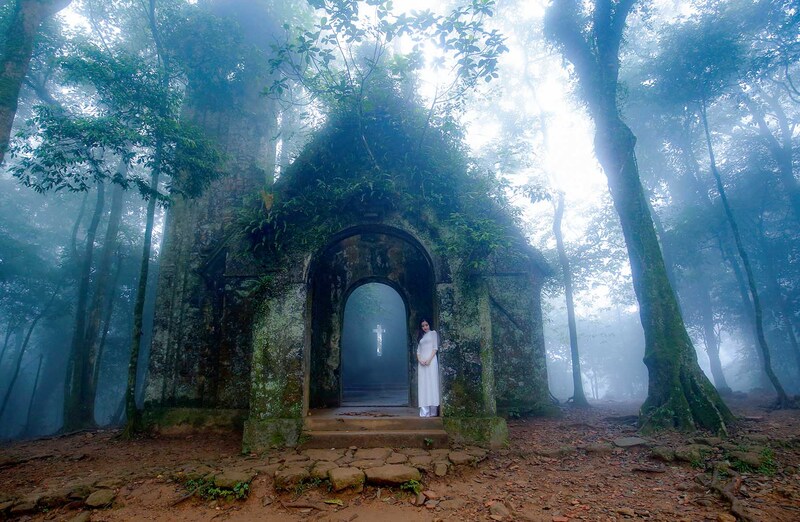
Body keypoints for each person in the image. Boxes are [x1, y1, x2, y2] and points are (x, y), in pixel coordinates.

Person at [416, 318, 440, 417]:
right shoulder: (421, 337)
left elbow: (435, 348)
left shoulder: (433, 333)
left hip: (431, 361)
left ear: (429, 325)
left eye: (426, 325)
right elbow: (418, 351)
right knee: (423, 385)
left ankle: (433, 411)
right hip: (422, 363)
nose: (425, 327)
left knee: (432, 383)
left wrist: (429, 360)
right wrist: (420, 360)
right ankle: (424, 411)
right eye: (423, 326)